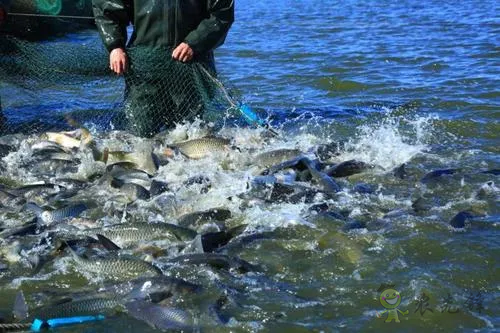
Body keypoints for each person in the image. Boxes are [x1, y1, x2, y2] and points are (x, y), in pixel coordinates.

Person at [92, 0, 234, 137]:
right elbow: (106, 7)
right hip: (145, 67)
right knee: (140, 135)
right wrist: (115, 46)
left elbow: (222, 14)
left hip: (192, 67)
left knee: (192, 135)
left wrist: (195, 42)